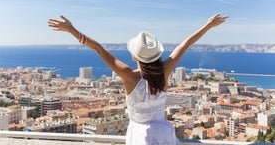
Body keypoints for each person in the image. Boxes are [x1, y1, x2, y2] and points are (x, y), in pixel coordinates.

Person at [48, 13, 228, 144]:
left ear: (135, 57)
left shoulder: (129, 76)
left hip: (141, 136)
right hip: (164, 134)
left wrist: (72, 30)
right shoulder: (164, 71)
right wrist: (208, 25)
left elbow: (99, 48)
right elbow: (186, 44)